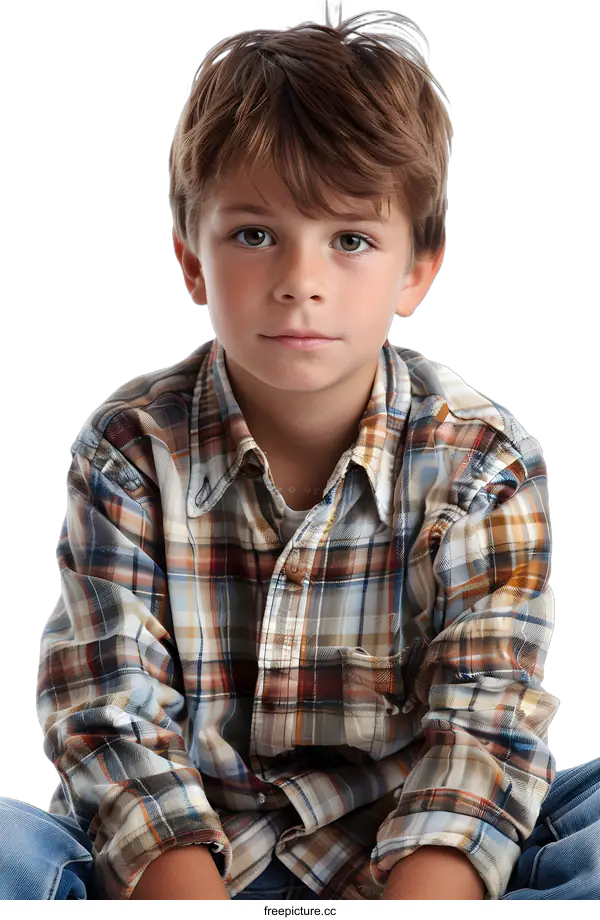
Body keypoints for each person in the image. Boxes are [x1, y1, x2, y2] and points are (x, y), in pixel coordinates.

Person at [2, 16, 598, 902]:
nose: (300, 279)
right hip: (187, 857)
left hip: (416, 852)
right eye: (254, 235)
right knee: (11, 843)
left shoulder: (480, 459)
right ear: (192, 261)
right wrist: (182, 894)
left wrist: (428, 895)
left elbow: (489, 715)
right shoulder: (132, 448)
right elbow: (108, 710)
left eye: (350, 240)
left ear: (418, 269)